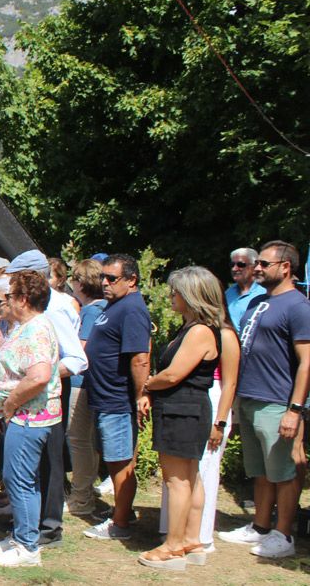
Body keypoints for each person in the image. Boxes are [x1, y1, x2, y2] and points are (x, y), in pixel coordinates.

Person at [140, 266, 240, 570]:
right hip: (186, 409)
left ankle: (172, 547)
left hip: (183, 410)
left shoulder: (199, 331)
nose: (171, 296)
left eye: (176, 292)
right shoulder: (195, 327)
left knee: (177, 480)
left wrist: (146, 384)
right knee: (191, 477)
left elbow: (173, 375)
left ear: (192, 295)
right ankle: (191, 540)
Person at [218, 240, 310, 559]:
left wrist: (295, 410)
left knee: (283, 472)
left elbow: (307, 361)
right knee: (260, 471)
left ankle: (283, 535)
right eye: (256, 264)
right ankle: (259, 527)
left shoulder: (298, 306)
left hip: (278, 402)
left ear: (285, 267)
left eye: (264, 264)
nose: (257, 268)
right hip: (251, 397)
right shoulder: (260, 302)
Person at [0, 270, 61, 567]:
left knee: (19, 479)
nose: (6, 301)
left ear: (23, 299)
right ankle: (21, 535)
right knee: (20, 478)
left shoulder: (37, 329)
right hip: (22, 416)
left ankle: (28, 547)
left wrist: (11, 403)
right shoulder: (23, 326)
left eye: (10, 295)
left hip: (29, 416)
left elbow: (40, 376)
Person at [82, 254, 152, 541]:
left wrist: (141, 395)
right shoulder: (115, 305)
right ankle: (122, 513)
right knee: (112, 460)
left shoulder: (133, 309)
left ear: (131, 280)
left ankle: (120, 523)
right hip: (104, 396)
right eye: (103, 277)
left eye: (112, 278)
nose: (105, 283)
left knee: (120, 461)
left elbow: (140, 358)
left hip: (118, 399)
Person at [65, 258, 106, 516]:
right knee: (87, 441)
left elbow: (81, 350)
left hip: (80, 382)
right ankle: (86, 491)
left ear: (80, 283)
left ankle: (81, 498)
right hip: (92, 382)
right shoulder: (103, 307)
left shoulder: (91, 311)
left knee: (79, 440)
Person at [225, 247, 264, 330]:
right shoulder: (228, 293)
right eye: (232, 265)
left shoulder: (264, 293)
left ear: (254, 267)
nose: (234, 269)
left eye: (240, 265)